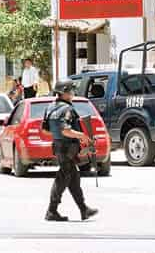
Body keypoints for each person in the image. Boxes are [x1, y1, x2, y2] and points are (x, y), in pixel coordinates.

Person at [43, 79, 98, 221]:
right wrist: (82, 136)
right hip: (67, 148)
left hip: (59, 146)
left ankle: (83, 209)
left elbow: (45, 130)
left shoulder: (50, 107)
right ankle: (51, 210)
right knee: (62, 178)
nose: (73, 93)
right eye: (71, 90)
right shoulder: (67, 109)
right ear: (64, 92)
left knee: (73, 178)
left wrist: (60, 137)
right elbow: (66, 130)